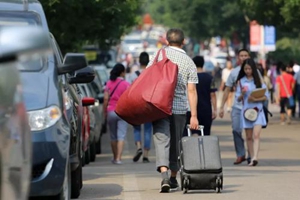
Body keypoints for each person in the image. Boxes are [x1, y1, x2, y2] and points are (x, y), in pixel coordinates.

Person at [147, 28, 198, 193]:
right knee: (176, 142)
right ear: (183, 42)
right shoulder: (188, 62)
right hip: (179, 109)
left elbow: (146, 76)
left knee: (161, 140)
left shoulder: (158, 55)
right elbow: (191, 91)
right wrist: (194, 116)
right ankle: (174, 177)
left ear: (167, 41)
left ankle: (164, 177)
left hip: (159, 106)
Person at [219, 48, 251, 165]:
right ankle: (240, 154)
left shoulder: (255, 72)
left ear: (249, 57)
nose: (243, 57)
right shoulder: (234, 72)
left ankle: (251, 155)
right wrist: (221, 107)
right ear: (238, 58)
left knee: (250, 133)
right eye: (241, 55)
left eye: (245, 55)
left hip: (251, 107)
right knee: (236, 130)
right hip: (237, 107)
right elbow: (227, 90)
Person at [235, 58, 269, 166]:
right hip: (246, 112)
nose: (247, 71)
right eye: (245, 69)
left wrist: (255, 99)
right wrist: (242, 94)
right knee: (248, 137)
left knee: (256, 134)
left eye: (249, 68)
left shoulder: (258, 81)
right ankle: (251, 156)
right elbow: (238, 99)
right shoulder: (241, 81)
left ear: (253, 69)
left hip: (258, 111)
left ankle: (255, 157)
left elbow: (266, 96)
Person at [103, 63, 130, 164]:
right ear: (122, 72)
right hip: (122, 112)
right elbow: (129, 99)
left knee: (113, 136)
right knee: (121, 136)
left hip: (111, 111)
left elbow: (106, 99)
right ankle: (119, 158)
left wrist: (104, 112)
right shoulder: (126, 84)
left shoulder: (109, 83)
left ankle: (114, 157)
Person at [184, 56, 217, 136]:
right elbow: (213, 94)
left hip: (191, 109)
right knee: (205, 133)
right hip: (206, 110)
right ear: (203, 64)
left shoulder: (190, 78)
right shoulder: (210, 78)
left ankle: (194, 147)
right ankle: (203, 148)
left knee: (193, 132)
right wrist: (215, 109)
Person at [130, 52, 153, 163]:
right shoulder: (152, 74)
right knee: (148, 130)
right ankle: (146, 155)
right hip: (148, 105)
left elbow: (129, 91)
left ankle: (138, 146)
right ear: (149, 61)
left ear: (139, 61)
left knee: (136, 127)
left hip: (136, 104)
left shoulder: (133, 75)